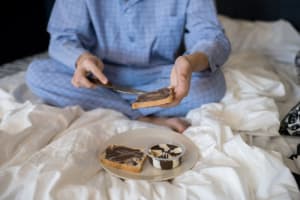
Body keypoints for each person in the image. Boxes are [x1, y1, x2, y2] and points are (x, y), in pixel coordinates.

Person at [26, 0, 231, 133]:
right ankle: (141, 115)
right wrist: (81, 59)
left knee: (212, 84)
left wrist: (189, 62)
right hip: (101, 77)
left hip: (160, 76)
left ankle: (115, 106)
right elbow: (62, 38)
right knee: (37, 73)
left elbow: (210, 36)